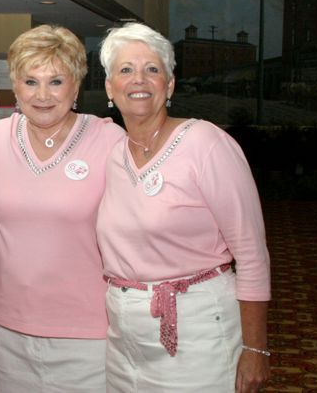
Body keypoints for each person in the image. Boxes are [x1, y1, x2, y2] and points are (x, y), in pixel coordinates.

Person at [96, 22, 271, 393]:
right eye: (125, 70)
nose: (138, 80)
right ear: (110, 88)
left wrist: (256, 347)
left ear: (170, 84)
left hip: (198, 330)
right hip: (123, 336)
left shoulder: (206, 143)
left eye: (152, 69)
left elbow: (253, 255)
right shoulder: (113, 156)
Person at [0, 25, 125, 392]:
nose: (42, 95)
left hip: (87, 335)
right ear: (14, 86)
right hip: (8, 330)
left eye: (56, 81)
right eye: (30, 81)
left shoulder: (109, 141)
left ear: (76, 86)